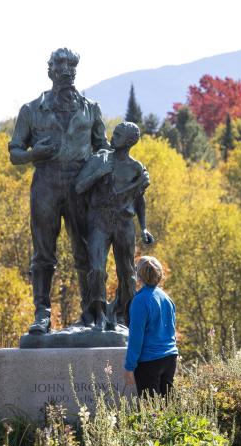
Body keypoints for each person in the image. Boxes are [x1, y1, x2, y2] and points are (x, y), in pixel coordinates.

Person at [8, 47, 110, 334]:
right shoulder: (31, 110)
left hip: (81, 185)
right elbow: (15, 152)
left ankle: (91, 311)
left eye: (71, 69)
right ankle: (42, 313)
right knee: (43, 254)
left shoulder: (90, 108)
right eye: (61, 68)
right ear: (51, 72)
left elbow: (103, 145)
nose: (67, 73)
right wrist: (33, 154)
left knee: (86, 251)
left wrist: (101, 159)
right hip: (46, 184)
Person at [75, 121, 154, 329]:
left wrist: (144, 226)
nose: (113, 136)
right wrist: (98, 174)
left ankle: (124, 316)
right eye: (115, 132)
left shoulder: (135, 168)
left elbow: (139, 199)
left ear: (129, 142)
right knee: (97, 268)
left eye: (118, 135)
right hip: (99, 220)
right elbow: (79, 186)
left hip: (124, 223)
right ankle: (98, 314)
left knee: (127, 273)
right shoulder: (99, 159)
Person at [124, 256, 178, 397]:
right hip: (170, 358)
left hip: (149, 361)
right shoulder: (167, 298)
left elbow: (136, 337)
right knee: (168, 407)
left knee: (151, 410)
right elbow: (172, 331)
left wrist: (129, 367)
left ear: (139, 276)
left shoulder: (140, 301)